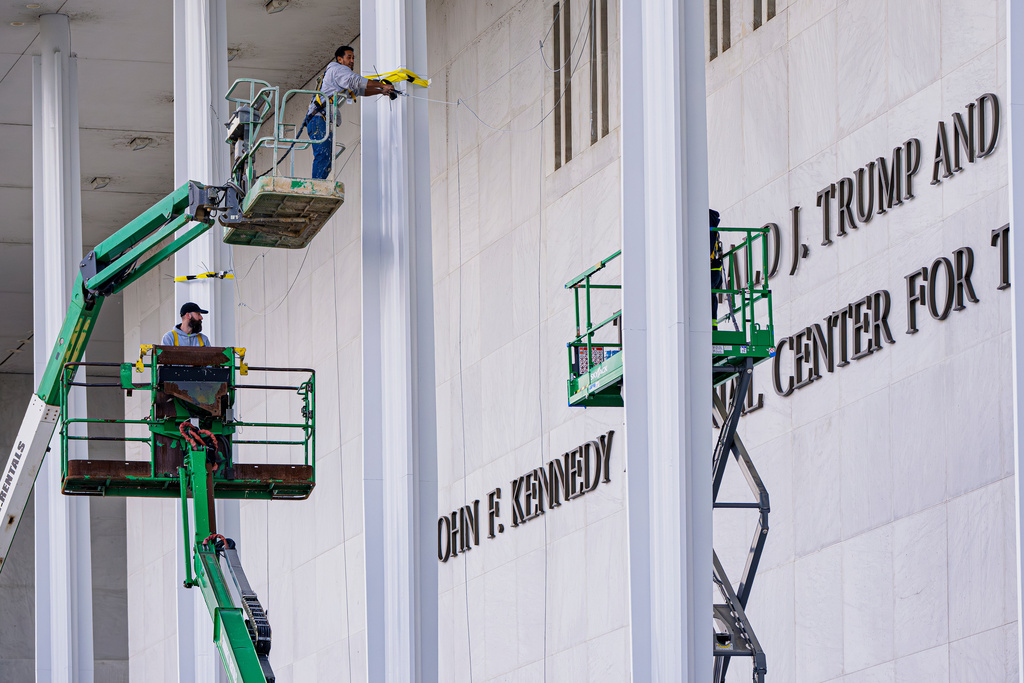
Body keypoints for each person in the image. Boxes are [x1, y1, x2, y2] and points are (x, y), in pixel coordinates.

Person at [307, 45, 396, 179]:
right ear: (340, 59)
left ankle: (320, 184)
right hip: (318, 119)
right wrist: (382, 85)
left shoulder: (340, 77)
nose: (352, 60)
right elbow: (356, 81)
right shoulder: (338, 70)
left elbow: (358, 90)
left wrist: (380, 91)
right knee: (323, 155)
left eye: (353, 58)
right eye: (349, 57)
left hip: (320, 121)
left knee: (326, 158)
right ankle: (317, 186)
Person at [710, 209, 723, 330]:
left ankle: (711, 326)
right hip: (713, 269)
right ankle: (712, 326)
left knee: (707, 296)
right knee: (711, 296)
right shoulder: (712, 227)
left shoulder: (706, 225)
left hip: (710, 271)